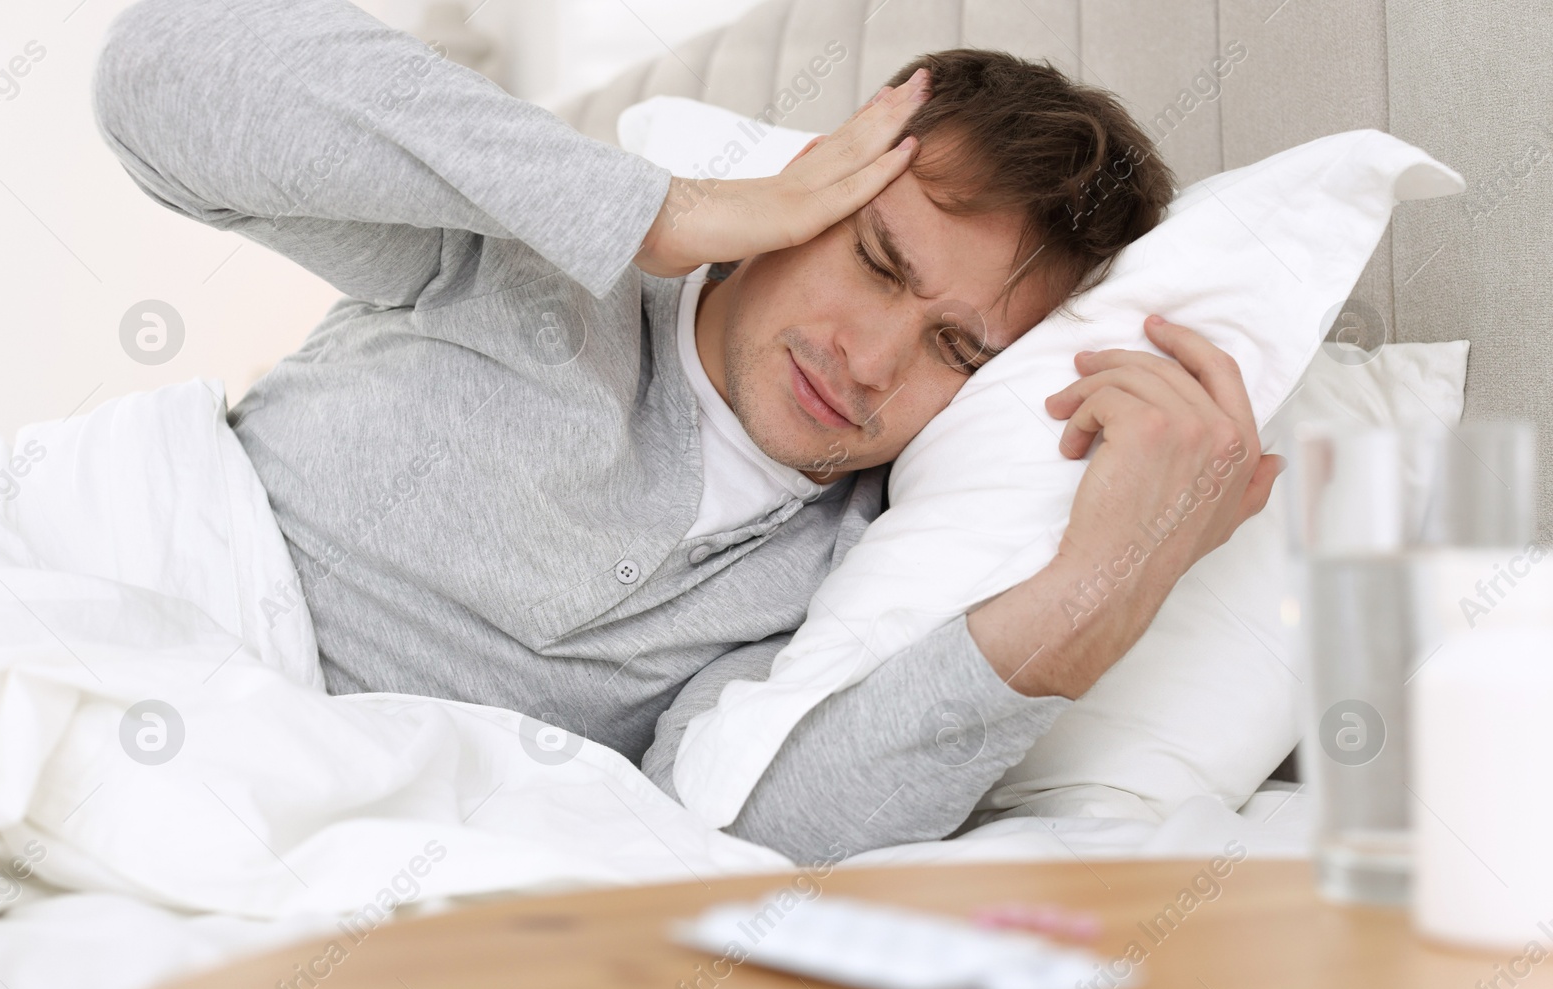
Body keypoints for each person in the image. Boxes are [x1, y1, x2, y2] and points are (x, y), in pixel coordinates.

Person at [93, 0, 1281, 864]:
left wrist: (1109, 580)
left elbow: (744, 835)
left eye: (957, 350)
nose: (868, 362)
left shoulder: (841, 577)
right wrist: (663, 209)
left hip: (262, 819)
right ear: (823, 177)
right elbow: (158, 73)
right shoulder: (538, 249)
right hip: (111, 597)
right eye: (874, 260)